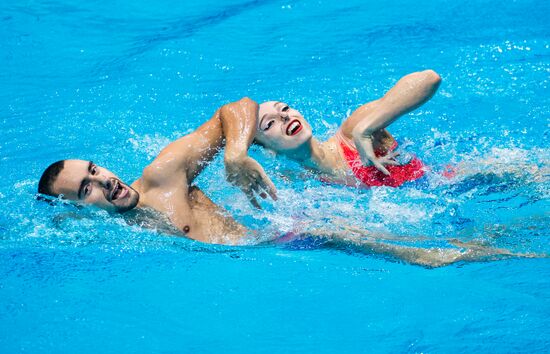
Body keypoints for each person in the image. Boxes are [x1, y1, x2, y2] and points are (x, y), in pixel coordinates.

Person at [37, 97, 531, 267]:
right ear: (79, 209)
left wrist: (233, 154)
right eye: (87, 190)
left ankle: (495, 250)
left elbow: (238, 108)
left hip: (280, 236)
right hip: (267, 250)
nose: (105, 184)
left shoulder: (164, 176)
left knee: (421, 254)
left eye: (96, 171)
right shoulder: (97, 230)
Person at [254, 70, 442, 187]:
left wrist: (365, 130)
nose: (284, 116)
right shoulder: (299, 179)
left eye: (284, 108)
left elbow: (429, 79)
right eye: (270, 124)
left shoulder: (351, 134)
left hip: (451, 184)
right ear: (269, 151)